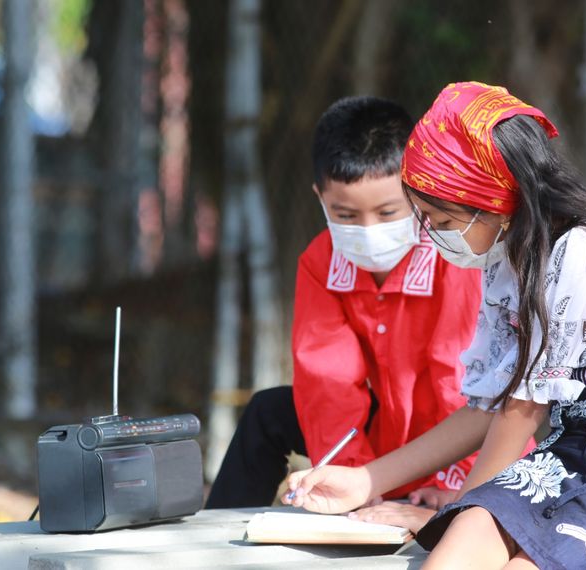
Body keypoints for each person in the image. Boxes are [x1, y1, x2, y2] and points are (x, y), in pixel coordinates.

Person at [284, 81, 586, 570]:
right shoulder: (503, 257)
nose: (433, 237)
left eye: (441, 222)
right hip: (567, 452)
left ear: (489, 197)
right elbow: (488, 406)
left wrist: (455, 514)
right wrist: (366, 480)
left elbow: (522, 411)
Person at [205, 96, 485, 510]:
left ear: (419, 192)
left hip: (453, 446)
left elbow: (462, 384)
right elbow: (327, 384)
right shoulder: (321, 262)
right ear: (320, 197)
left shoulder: (454, 256)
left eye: (388, 212)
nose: (368, 229)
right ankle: (217, 543)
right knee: (269, 410)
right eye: (347, 215)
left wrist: (459, 481)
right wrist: (358, 484)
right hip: (375, 443)